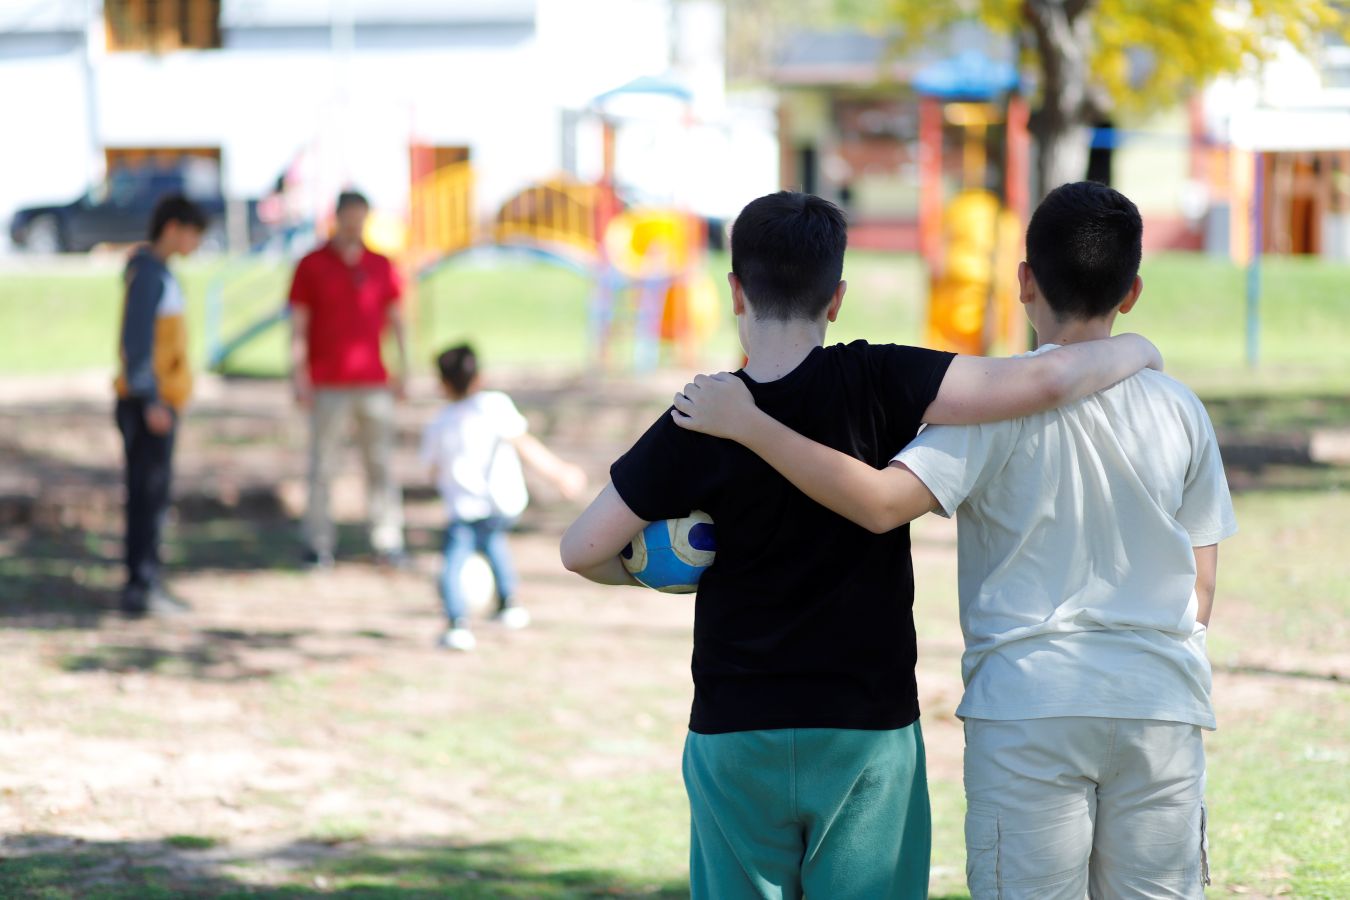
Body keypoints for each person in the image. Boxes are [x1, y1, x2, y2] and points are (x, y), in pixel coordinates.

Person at [559, 190, 1163, 899]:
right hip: (863, 728)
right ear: (836, 296)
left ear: (734, 291)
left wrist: (666, 573)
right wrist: (1140, 346)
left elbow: (582, 549)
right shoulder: (880, 380)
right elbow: (1049, 376)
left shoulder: (699, 415)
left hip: (734, 725)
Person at [422, 344, 587, 651]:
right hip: (502, 504)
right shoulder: (494, 405)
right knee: (493, 543)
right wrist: (559, 473)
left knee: (452, 563)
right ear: (479, 378)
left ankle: (457, 623)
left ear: (442, 384)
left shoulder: (439, 423)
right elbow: (525, 445)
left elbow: (431, 470)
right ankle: (509, 604)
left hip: (464, 507)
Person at [289, 190, 409, 568]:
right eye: (349, 218)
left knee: (380, 464)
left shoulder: (381, 264)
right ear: (336, 217)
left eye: (361, 218)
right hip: (327, 382)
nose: (354, 225)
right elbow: (298, 325)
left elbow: (398, 318)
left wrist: (404, 367)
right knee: (323, 466)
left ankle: (387, 538)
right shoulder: (311, 264)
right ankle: (318, 542)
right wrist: (297, 374)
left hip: (373, 381)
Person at [113, 193, 207, 616]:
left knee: (153, 497)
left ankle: (147, 582)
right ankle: (141, 586)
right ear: (173, 228)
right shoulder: (148, 275)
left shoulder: (160, 272)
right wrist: (151, 399)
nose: (196, 244)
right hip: (148, 405)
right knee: (146, 497)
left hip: (161, 402)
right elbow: (136, 345)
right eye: (194, 234)